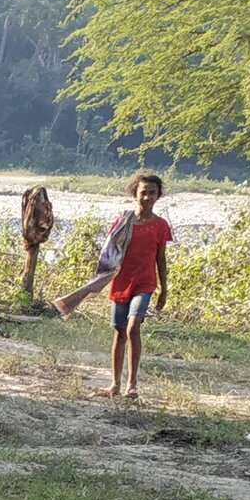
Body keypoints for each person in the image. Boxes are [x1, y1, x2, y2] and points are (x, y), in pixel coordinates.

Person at [103, 171, 170, 400]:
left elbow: (160, 259)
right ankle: (115, 384)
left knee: (133, 327)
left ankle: (132, 384)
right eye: (143, 193)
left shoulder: (160, 226)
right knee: (119, 332)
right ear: (135, 194)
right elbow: (109, 252)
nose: (147, 198)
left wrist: (164, 289)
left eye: (152, 193)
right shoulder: (124, 221)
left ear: (158, 196)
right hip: (121, 281)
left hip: (145, 283)